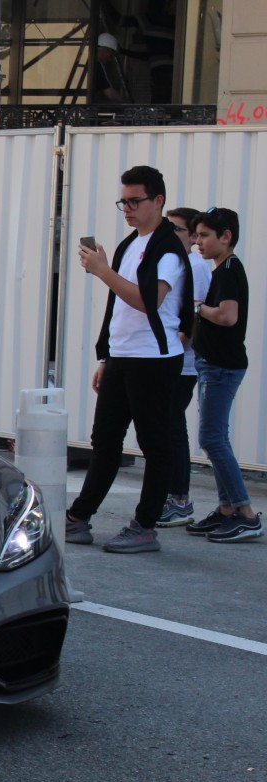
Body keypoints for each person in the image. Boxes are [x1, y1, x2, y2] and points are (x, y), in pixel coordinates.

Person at [65, 165, 192, 553]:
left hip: (154, 359)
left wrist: (103, 272)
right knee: (104, 440)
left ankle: (145, 525)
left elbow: (147, 300)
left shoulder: (169, 248)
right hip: (124, 356)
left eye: (135, 201)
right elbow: (118, 308)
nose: (128, 208)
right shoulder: (129, 243)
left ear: (158, 201)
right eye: (124, 201)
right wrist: (106, 355)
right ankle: (78, 517)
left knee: (155, 445)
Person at [185, 207, 261, 542]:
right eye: (196, 235)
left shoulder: (229, 269)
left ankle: (245, 513)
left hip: (221, 367)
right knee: (215, 437)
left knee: (212, 438)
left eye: (204, 235)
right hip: (213, 365)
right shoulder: (223, 269)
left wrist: (199, 307)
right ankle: (227, 509)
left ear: (225, 236)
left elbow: (228, 317)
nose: (197, 242)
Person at [155, 207, 212, 526]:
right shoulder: (176, 263)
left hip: (182, 364)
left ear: (192, 236)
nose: (169, 233)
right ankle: (172, 495)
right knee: (166, 427)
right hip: (169, 360)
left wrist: (179, 347)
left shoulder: (196, 266)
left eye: (176, 229)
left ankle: (179, 499)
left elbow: (195, 314)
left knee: (173, 428)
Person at [93, 33, 126, 104]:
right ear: (105, 51)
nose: (109, 59)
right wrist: (126, 106)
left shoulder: (89, 61)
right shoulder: (98, 65)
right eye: (111, 56)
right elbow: (110, 94)